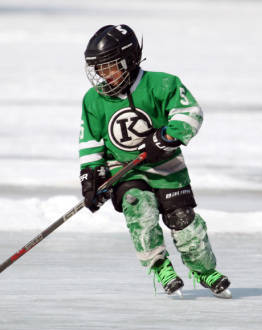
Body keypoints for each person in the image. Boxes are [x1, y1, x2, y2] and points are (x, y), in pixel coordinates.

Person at [79, 24, 231, 298]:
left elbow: (190, 112)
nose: (104, 75)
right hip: (125, 172)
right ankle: (160, 266)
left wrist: (168, 137)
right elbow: (89, 141)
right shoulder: (94, 100)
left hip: (168, 170)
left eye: (110, 66)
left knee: (183, 220)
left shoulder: (162, 84)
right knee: (140, 209)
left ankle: (204, 269)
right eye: (99, 69)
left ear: (130, 59)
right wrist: (91, 177)